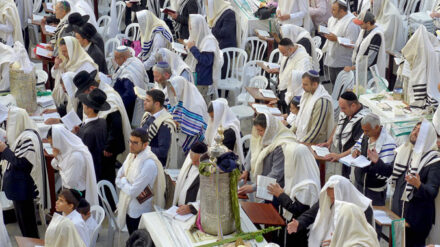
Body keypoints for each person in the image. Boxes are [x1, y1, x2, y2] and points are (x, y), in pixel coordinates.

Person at [75, 70, 132, 192]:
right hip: (98, 142)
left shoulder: (110, 98)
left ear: (91, 88)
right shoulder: (96, 96)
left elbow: (116, 125)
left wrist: (109, 147)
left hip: (108, 148)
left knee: (105, 176)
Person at [0, 106, 50, 238]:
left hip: (23, 189)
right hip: (18, 189)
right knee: (23, 224)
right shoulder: (21, 135)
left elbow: (22, 163)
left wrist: (5, 150)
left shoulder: (28, 137)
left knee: (28, 227)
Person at [390, 120, 440, 246]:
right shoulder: (404, 151)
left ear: (427, 137)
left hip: (416, 221)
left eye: (420, 131)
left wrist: (418, 185)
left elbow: (431, 192)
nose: (415, 132)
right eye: (415, 129)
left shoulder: (434, 161)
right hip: (397, 215)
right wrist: (377, 162)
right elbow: (391, 172)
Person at [287, 175, 373, 246]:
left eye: (334, 198)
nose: (331, 201)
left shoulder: (363, 209)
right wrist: (299, 223)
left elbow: (364, 239)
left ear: (343, 194)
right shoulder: (328, 200)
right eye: (329, 197)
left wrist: (340, 241)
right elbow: (311, 214)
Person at [267, 144, 320, 246]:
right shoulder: (299, 176)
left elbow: (299, 210)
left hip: (299, 232)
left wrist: (281, 195)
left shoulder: (308, 185)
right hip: (291, 227)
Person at [116, 128, 166, 235]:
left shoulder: (149, 164)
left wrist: (124, 180)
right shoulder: (131, 156)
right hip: (128, 207)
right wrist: (126, 183)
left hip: (139, 211)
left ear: (145, 145)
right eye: (130, 141)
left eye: (135, 143)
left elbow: (133, 191)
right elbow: (117, 178)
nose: (131, 145)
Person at [238, 113, 294, 196]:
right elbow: (253, 151)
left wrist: (253, 187)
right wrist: (246, 170)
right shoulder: (265, 136)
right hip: (264, 182)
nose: (258, 133)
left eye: (261, 130)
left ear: (269, 129)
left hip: (276, 188)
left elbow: (276, 174)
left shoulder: (280, 146)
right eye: (257, 130)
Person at [319, 91, 369, 178]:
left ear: (353, 106)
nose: (341, 110)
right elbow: (338, 125)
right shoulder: (346, 111)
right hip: (342, 156)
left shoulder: (362, 120)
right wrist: (329, 142)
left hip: (352, 160)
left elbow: (358, 145)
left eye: (343, 108)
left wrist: (339, 156)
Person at [351, 113, 396, 206]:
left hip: (374, 192)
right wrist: (355, 151)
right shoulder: (365, 135)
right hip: (359, 185)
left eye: (367, 130)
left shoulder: (389, 143)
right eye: (363, 130)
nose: (364, 133)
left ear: (376, 127)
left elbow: (386, 173)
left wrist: (376, 162)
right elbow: (357, 146)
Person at [48, 124, 99, 206]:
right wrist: (57, 158)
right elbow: (53, 164)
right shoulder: (65, 150)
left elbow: (70, 182)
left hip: (77, 195)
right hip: (68, 191)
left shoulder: (76, 156)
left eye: (52, 145)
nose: (52, 148)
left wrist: (60, 167)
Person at [75, 77, 108, 181]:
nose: (83, 105)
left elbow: (83, 156)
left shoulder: (88, 132)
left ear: (89, 108)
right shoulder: (102, 122)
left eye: (85, 103)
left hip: (89, 174)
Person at [51, 36, 99, 109]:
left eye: (65, 51)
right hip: (66, 100)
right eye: (62, 51)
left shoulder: (85, 63)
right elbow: (54, 75)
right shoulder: (65, 59)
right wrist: (56, 65)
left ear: (72, 50)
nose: (63, 54)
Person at [185, 14, 223, 103]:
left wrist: (192, 48)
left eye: (191, 26)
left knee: (200, 104)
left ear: (198, 25)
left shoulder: (209, 41)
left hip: (203, 80)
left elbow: (206, 61)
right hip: (196, 75)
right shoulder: (197, 35)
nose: (190, 28)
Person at [269, 38, 312, 114]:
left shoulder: (303, 59)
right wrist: (280, 70)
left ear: (291, 49)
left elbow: (299, 81)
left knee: (290, 117)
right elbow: (288, 68)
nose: (283, 55)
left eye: (283, 53)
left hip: (294, 93)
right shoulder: (289, 52)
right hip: (285, 90)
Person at [322, 0, 360, 86]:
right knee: (334, 85)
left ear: (342, 11)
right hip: (332, 58)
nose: (331, 12)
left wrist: (337, 39)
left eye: (334, 10)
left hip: (344, 62)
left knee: (342, 87)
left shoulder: (351, 23)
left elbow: (353, 43)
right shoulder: (332, 19)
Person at [169, 76, 209, 154]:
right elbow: (173, 110)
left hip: (192, 141)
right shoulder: (181, 97)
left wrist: (178, 124)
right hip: (178, 137)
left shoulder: (196, 104)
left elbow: (195, 128)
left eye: (174, 89)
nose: (172, 92)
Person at [291, 70, 333, 144]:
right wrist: (289, 133)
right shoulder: (307, 94)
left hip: (315, 143)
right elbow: (299, 118)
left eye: (305, 84)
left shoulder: (322, 102)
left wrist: (300, 144)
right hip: (304, 139)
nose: (302, 87)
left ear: (315, 84)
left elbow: (316, 130)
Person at [345, 10, 386, 84]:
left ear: (368, 23)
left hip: (368, 72)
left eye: (361, 24)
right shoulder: (364, 30)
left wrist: (352, 68)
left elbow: (369, 59)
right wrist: (354, 45)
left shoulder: (376, 35)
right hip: (360, 69)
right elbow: (362, 46)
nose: (359, 26)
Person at [140, 89, 177, 168]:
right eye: (145, 100)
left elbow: (162, 152)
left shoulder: (165, 124)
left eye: (148, 101)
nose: (144, 102)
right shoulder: (147, 116)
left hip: (154, 166)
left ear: (157, 104)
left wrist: (141, 147)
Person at [112, 46, 148, 122]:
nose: (114, 60)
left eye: (116, 58)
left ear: (124, 58)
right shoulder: (135, 60)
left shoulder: (128, 74)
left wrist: (117, 106)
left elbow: (129, 95)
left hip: (129, 109)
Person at [172, 142, 208, 215]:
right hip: (180, 211)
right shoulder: (190, 163)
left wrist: (191, 208)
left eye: (196, 161)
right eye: (192, 160)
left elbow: (210, 199)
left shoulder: (209, 172)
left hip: (195, 215)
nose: (193, 164)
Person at [205, 0, 238, 79]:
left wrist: (211, 28)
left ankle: (222, 90)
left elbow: (225, 32)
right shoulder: (218, 13)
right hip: (218, 45)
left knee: (223, 74)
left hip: (226, 48)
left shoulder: (229, 13)